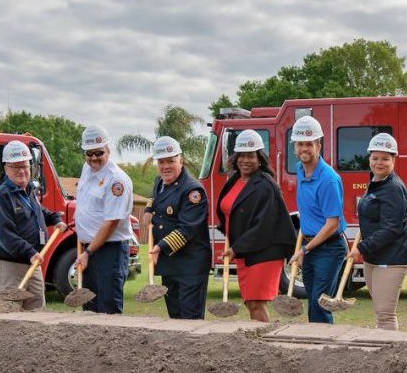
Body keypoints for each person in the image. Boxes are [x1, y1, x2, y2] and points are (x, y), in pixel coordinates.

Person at [215, 129, 296, 322]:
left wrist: (236, 248)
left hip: (265, 252)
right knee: (250, 302)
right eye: (241, 155)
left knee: (256, 303)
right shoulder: (235, 180)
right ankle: (261, 342)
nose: (245, 160)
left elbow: (264, 225)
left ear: (259, 158)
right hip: (246, 251)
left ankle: (266, 344)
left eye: (250, 155)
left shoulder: (265, 185)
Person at [0, 140, 67, 310]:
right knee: (9, 315)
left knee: (36, 313)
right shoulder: (1, 198)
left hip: (32, 264)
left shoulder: (28, 192)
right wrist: (30, 251)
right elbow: (5, 235)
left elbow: (39, 213)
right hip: (8, 267)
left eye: (25, 166)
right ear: (6, 168)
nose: (22, 171)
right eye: (15, 167)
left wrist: (55, 218)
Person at [348, 133, 407, 330]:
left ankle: (391, 357)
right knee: (379, 311)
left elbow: (391, 229)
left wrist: (361, 247)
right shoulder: (375, 183)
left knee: (385, 314)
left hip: (391, 260)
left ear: (394, 160)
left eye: (385, 158)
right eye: (375, 158)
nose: (379, 162)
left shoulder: (393, 188)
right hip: (374, 258)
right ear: (369, 159)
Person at [288, 116, 347, 324]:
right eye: (300, 144)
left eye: (309, 144)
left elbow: (332, 224)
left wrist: (305, 250)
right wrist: (305, 247)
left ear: (318, 146)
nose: (304, 148)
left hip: (330, 247)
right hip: (312, 245)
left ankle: (325, 349)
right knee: (312, 302)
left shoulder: (329, 179)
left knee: (320, 303)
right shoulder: (300, 170)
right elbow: (307, 213)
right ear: (295, 147)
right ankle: (314, 344)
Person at [146, 136, 212, 320]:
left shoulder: (192, 191)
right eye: (161, 162)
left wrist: (160, 247)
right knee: (175, 317)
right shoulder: (160, 182)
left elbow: (187, 229)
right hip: (170, 264)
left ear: (180, 161)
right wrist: (148, 209)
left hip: (190, 265)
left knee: (189, 319)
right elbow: (156, 198)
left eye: (171, 161)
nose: (165, 166)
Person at [73, 125, 133, 314]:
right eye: (89, 153)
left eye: (99, 153)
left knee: (108, 309)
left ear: (108, 150)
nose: (93, 158)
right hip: (88, 248)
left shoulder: (116, 180)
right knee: (90, 306)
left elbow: (111, 222)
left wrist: (88, 253)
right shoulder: (87, 169)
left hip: (109, 251)